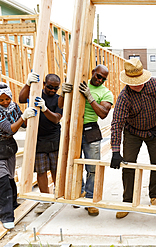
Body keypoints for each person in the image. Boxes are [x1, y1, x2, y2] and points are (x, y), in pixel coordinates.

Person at [110, 58, 156, 219]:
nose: (137, 84)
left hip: (154, 129)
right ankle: (127, 201)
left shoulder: (155, 84)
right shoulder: (124, 97)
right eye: (133, 82)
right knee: (128, 165)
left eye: (139, 81)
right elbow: (117, 123)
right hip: (133, 132)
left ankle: (154, 195)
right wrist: (115, 151)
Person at [61, 64, 113, 217]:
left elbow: (103, 114)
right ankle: (80, 193)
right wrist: (63, 93)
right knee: (74, 164)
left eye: (103, 79)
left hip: (91, 130)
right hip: (74, 129)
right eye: (98, 76)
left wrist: (90, 98)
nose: (100, 80)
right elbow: (61, 106)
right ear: (93, 73)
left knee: (92, 168)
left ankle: (90, 199)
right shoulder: (80, 83)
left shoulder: (106, 92)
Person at [19, 73, 63, 214]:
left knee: (56, 168)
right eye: (50, 87)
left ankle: (59, 194)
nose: (52, 90)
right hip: (38, 138)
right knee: (41, 170)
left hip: (54, 138)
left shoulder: (58, 99)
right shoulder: (35, 94)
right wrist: (27, 84)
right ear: (44, 84)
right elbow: (21, 99)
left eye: (55, 88)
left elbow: (56, 118)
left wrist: (45, 109)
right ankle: (45, 199)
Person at [0, 82, 37, 229]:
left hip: (8, 148)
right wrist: (23, 117)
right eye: (1, 100)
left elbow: (24, 125)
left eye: (6, 99)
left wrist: (30, 115)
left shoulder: (13, 106)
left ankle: (13, 205)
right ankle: (7, 216)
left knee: (9, 179)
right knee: (2, 181)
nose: (4, 102)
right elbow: (9, 129)